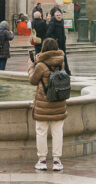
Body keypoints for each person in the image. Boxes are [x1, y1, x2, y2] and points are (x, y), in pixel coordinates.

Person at [28, 37, 67, 172]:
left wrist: (31, 65)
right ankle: (57, 161)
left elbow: (33, 81)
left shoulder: (41, 65)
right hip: (58, 102)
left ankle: (42, 160)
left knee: (41, 132)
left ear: (43, 48)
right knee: (57, 133)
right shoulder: (61, 62)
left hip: (43, 104)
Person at [47, 7, 69, 73]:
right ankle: (57, 71)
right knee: (57, 58)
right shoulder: (52, 23)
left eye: (59, 15)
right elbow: (48, 33)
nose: (59, 17)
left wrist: (64, 38)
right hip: (56, 44)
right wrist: (55, 39)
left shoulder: (61, 21)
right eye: (57, 15)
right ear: (54, 16)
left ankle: (66, 70)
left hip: (62, 43)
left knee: (64, 57)